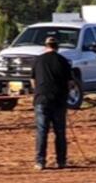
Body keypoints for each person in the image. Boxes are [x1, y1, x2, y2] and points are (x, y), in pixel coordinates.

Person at [30, 32, 73, 170]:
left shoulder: (38, 60)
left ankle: (40, 161)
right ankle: (61, 161)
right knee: (60, 132)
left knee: (42, 131)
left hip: (42, 99)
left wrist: (38, 91)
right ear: (57, 47)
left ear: (46, 46)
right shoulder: (63, 61)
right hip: (59, 100)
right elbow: (70, 83)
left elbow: (33, 80)